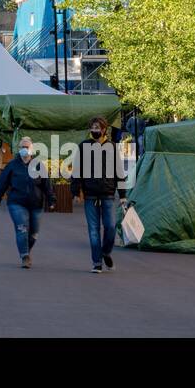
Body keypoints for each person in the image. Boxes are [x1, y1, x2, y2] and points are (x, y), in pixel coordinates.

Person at [70, 116, 128, 273]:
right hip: (90, 194)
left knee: (110, 227)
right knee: (93, 230)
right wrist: (75, 191)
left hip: (108, 194)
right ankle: (97, 263)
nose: (95, 130)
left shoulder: (112, 147)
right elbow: (77, 170)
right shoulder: (84, 146)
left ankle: (106, 253)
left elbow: (119, 172)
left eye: (97, 128)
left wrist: (122, 195)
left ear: (104, 129)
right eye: (92, 128)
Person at [0, 137, 55, 268]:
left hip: (36, 204)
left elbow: (47, 185)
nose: (24, 150)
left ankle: (25, 249)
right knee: (22, 228)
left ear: (32, 149)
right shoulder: (12, 166)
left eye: (27, 147)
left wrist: (51, 200)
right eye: (22, 147)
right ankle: (25, 256)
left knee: (34, 233)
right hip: (16, 203)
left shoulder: (38, 165)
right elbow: (2, 183)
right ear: (18, 149)